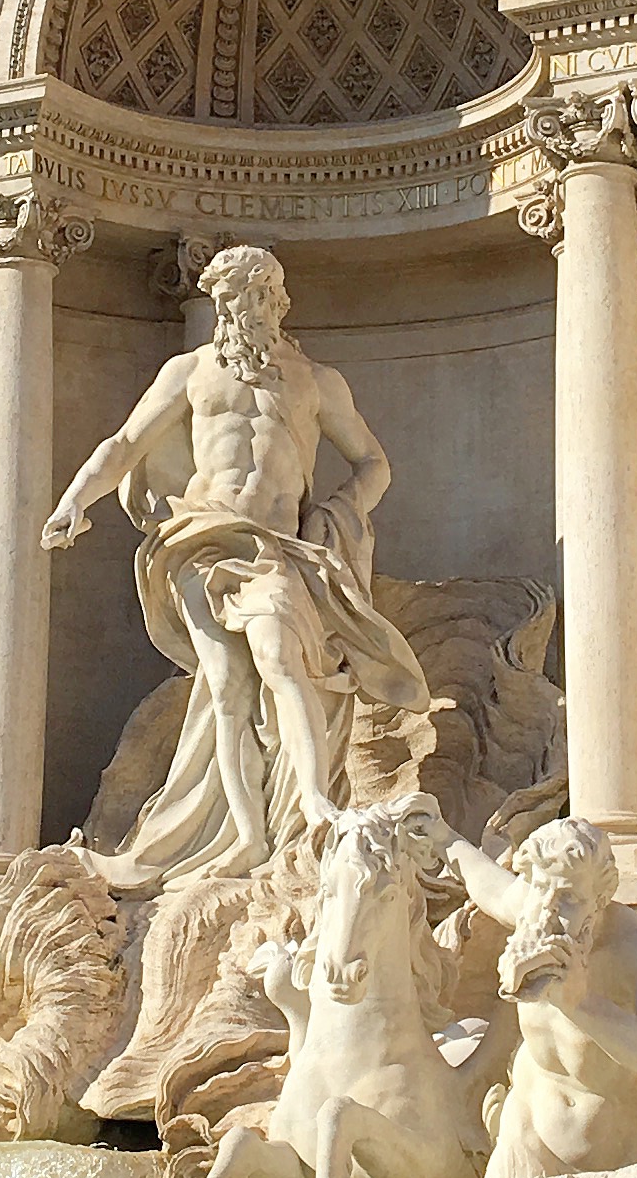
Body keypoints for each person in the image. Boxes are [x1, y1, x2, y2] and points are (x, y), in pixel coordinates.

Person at [43, 242, 435, 889]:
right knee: (225, 686)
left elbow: (374, 462)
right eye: (227, 297)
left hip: (278, 547)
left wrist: (337, 513)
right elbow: (125, 444)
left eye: (253, 295)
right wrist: (73, 500)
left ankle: (313, 805)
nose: (239, 309)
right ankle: (249, 835)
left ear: (276, 300)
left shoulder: (315, 381)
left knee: (281, 659)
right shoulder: (190, 371)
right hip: (199, 538)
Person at [454, 818, 637, 1178]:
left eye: (568, 898)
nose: (548, 911)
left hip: (627, 1156)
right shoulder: (533, 908)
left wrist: (581, 1004)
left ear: (600, 900)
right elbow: (487, 885)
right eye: (539, 889)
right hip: (528, 1142)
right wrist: (440, 836)